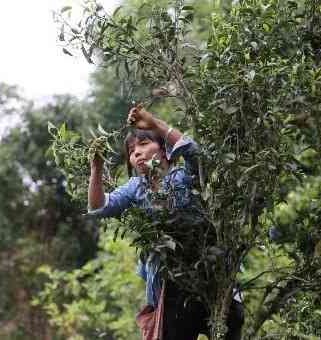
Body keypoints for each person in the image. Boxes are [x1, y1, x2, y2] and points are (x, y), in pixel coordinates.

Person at [87, 105, 244, 340]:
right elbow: (99, 207)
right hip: (171, 285)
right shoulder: (136, 188)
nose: (136, 153)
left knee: (230, 321)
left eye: (143, 144)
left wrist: (154, 123)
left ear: (164, 151)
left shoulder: (184, 177)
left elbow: (196, 153)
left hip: (211, 274)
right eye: (132, 150)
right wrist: (97, 169)